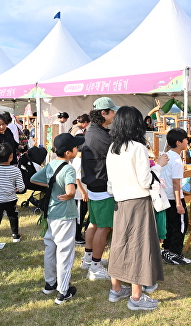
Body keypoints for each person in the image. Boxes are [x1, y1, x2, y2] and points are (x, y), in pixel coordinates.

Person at [105, 106, 168, 311]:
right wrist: (157, 167)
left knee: (119, 244)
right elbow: (144, 180)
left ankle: (116, 290)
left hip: (120, 201)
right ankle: (136, 297)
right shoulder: (137, 147)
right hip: (138, 202)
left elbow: (110, 182)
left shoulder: (113, 147)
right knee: (139, 248)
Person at [31, 133, 84, 305]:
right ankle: (63, 291)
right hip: (65, 215)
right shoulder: (69, 168)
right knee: (65, 253)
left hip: (50, 214)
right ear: (69, 152)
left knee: (50, 249)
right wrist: (70, 194)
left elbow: (34, 178)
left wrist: (51, 185)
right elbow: (70, 190)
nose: (78, 149)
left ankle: (50, 283)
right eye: (76, 147)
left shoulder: (51, 164)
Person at [80, 97, 119, 280]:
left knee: (94, 224)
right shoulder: (102, 136)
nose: (114, 115)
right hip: (103, 186)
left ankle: (89, 258)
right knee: (103, 227)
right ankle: (95, 266)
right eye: (112, 112)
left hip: (94, 185)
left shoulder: (93, 130)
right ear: (104, 113)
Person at [0, 143, 25, 260]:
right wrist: (15, 188)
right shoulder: (15, 170)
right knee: (13, 216)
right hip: (11, 199)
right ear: (11, 156)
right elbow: (21, 187)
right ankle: (15, 236)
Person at [161, 128, 191, 265]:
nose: (187, 141)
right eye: (186, 139)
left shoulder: (166, 154)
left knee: (169, 224)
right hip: (174, 198)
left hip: (165, 196)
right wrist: (179, 204)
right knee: (180, 225)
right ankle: (174, 253)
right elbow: (176, 184)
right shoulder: (177, 160)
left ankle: (167, 250)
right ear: (179, 142)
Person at [71, 134, 88, 245]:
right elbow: (76, 179)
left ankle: (79, 233)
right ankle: (76, 236)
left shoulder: (81, 160)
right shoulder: (78, 161)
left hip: (83, 193)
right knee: (78, 216)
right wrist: (82, 191)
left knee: (82, 213)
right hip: (78, 195)